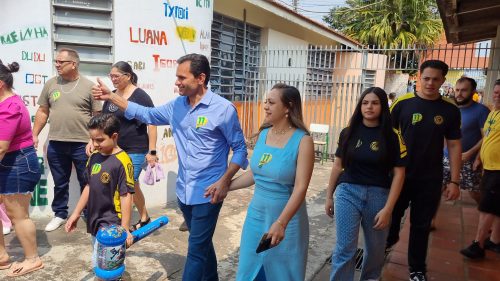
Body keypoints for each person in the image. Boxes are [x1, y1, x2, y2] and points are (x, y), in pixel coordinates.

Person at [92, 53, 248, 281]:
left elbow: (240, 149)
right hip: (184, 191)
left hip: (209, 192)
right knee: (201, 241)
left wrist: (225, 181)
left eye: (182, 77)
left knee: (195, 252)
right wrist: (111, 97)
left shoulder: (223, 109)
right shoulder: (177, 106)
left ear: (201, 78)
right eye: (177, 77)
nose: (177, 82)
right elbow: (146, 114)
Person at [206, 84, 314, 280]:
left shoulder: (303, 141)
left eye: (272, 103)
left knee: (283, 274)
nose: (265, 106)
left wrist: (281, 223)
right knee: (249, 271)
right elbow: (256, 174)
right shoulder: (264, 134)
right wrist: (224, 186)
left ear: (288, 107)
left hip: (286, 220)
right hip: (256, 216)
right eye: (266, 102)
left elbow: (301, 188)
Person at [386, 60, 462, 281]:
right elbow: (388, 138)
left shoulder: (449, 108)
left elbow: (455, 144)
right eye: (426, 78)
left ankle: (417, 269)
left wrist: (454, 181)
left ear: (443, 81)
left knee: (421, 225)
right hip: (400, 175)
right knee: (390, 217)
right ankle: (383, 248)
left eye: (435, 79)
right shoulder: (402, 103)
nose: (430, 83)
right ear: (419, 76)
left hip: (430, 178)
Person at [325, 87, 406, 281]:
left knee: (376, 249)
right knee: (345, 248)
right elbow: (337, 166)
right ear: (360, 106)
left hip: (379, 197)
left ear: (382, 106)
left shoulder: (393, 136)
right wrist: (329, 196)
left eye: (375, 103)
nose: (369, 107)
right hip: (347, 193)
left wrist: (388, 208)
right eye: (365, 103)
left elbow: (399, 174)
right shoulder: (348, 132)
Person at [33, 48, 102, 232]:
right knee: (60, 182)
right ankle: (60, 214)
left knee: (87, 181)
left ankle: (88, 214)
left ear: (73, 64)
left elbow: (97, 116)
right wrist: (34, 134)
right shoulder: (51, 84)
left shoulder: (89, 86)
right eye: (56, 61)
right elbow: (42, 111)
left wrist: (93, 141)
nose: (57, 65)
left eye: (60, 62)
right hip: (56, 142)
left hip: (82, 144)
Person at [65, 114, 134, 251]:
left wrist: (125, 228)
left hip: (112, 221)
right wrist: (76, 213)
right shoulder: (94, 157)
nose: (95, 144)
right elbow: (89, 186)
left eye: (100, 140)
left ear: (114, 137)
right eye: (92, 139)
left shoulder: (122, 161)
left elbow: (126, 196)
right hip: (95, 220)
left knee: (110, 264)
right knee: (98, 258)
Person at [0, 60, 44, 277]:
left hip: (17, 163)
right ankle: (1, 256)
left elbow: (1, 147)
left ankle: (32, 259)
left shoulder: (10, 107)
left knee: (17, 215)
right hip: (8, 162)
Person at [102, 61, 157, 231]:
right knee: (132, 185)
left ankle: (121, 226)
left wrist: (152, 150)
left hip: (136, 149)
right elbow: (104, 122)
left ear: (128, 76)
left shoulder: (140, 96)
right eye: (111, 76)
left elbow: (152, 123)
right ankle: (144, 217)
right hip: (115, 149)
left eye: (116, 76)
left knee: (126, 185)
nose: (113, 79)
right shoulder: (111, 96)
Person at [460, 79, 500, 259]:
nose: (497, 95)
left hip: (498, 169)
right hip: (489, 167)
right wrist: (479, 157)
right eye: (496, 92)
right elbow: (487, 138)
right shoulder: (493, 113)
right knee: (496, 206)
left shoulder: (486, 111)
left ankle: (479, 244)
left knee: (486, 207)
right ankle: (495, 240)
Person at [444, 77, 489, 204]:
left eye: (464, 90)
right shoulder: (450, 109)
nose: (459, 93)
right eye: (457, 90)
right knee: (438, 187)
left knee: (475, 192)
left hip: (469, 159)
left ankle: (489, 213)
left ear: (473, 91)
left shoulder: (482, 111)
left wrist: (473, 154)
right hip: (447, 157)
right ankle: (430, 222)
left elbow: (487, 136)